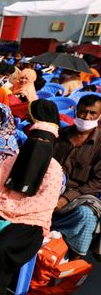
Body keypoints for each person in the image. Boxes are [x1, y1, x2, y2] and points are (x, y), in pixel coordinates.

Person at [0, 129, 63, 295]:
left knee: (2, 247)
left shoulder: (53, 169)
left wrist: (3, 209)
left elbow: (42, 203)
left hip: (31, 219)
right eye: (34, 138)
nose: (37, 143)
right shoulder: (14, 159)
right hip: (2, 208)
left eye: (44, 140)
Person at [52, 94, 101, 258]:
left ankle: (74, 262)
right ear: (75, 111)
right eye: (82, 112)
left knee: (86, 216)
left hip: (79, 195)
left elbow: (97, 182)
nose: (86, 117)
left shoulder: (99, 143)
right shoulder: (61, 135)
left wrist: (66, 198)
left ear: (99, 115)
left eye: (92, 113)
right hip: (50, 189)